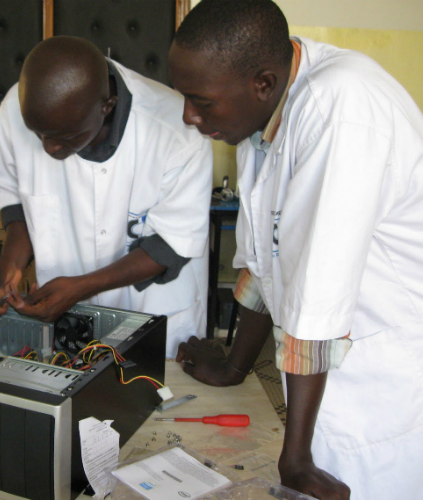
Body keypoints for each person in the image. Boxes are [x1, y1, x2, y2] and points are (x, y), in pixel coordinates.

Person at [169, 0, 423, 499]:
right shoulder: (263, 115)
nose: (189, 116)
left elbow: (318, 292)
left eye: (201, 101)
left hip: (386, 376)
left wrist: (297, 456)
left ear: (261, 83)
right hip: (327, 377)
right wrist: (233, 367)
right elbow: (267, 262)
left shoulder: (341, 107)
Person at [0, 36, 212, 357]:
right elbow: (19, 202)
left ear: (107, 106)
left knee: (150, 396)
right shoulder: (13, 110)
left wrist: (81, 287)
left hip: (154, 311)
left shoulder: (176, 131)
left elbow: (172, 244)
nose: (49, 148)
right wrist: (9, 265)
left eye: (66, 137)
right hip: (69, 318)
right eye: (38, 134)